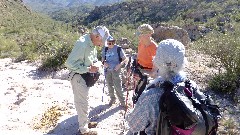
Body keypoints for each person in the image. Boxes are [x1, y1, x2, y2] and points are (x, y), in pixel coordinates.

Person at [126, 39, 205, 135]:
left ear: (157, 61)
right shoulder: (192, 86)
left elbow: (134, 125)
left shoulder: (151, 95)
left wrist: (129, 114)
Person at [65, 26, 110, 135]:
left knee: (85, 102)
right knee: (82, 103)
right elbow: (69, 64)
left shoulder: (91, 43)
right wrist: (89, 69)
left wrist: (97, 63)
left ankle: (85, 122)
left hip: (85, 77)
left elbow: (90, 59)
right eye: (101, 41)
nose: (100, 44)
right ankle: (84, 130)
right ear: (96, 36)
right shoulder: (82, 44)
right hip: (79, 78)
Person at [132, 24, 157, 104]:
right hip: (139, 68)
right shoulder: (141, 43)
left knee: (142, 91)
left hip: (147, 72)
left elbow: (157, 67)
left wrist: (149, 74)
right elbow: (139, 55)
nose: (138, 37)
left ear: (148, 34)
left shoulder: (155, 48)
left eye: (140, 34)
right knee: (137, 88)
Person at [101, 35, 128, 107]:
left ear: (113, 42)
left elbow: (125, 59)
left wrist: (119, 65)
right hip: (107, 70)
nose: (109, 45)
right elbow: (102, 59)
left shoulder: (118, 49)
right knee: (109, 85)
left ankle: (122, 102)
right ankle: (112, 99)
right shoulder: (105, 49)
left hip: (116, 70)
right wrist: (104, 63)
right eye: (108, 43)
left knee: (118, 86)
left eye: (110, 43)